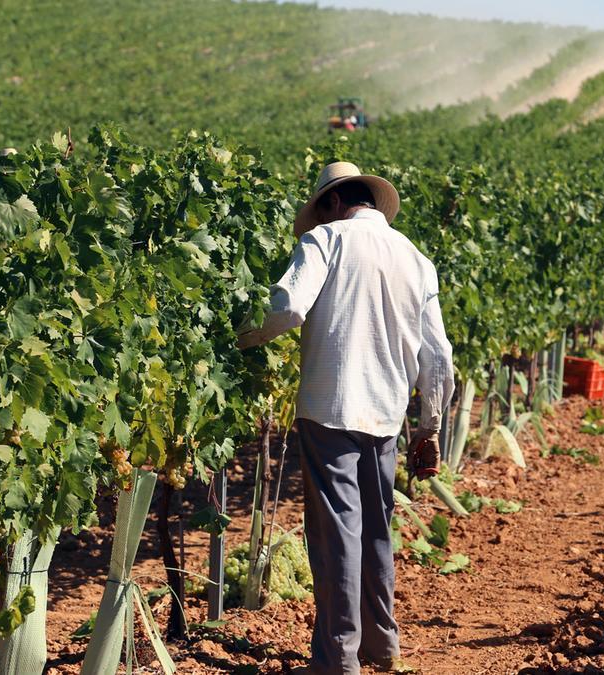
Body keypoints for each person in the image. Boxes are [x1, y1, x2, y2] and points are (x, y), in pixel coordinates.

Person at [237, 161, 454, 674]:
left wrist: (243, 337)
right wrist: (430, 426)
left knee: (337, 536)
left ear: (334, 202)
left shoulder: (326, 242)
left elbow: (289, 307)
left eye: (318, 211)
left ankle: (338, 660)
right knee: (377, 530)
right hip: (386, 414)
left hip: (329, 409)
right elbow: (438, 355)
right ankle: (381, 645)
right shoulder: (416, 259)